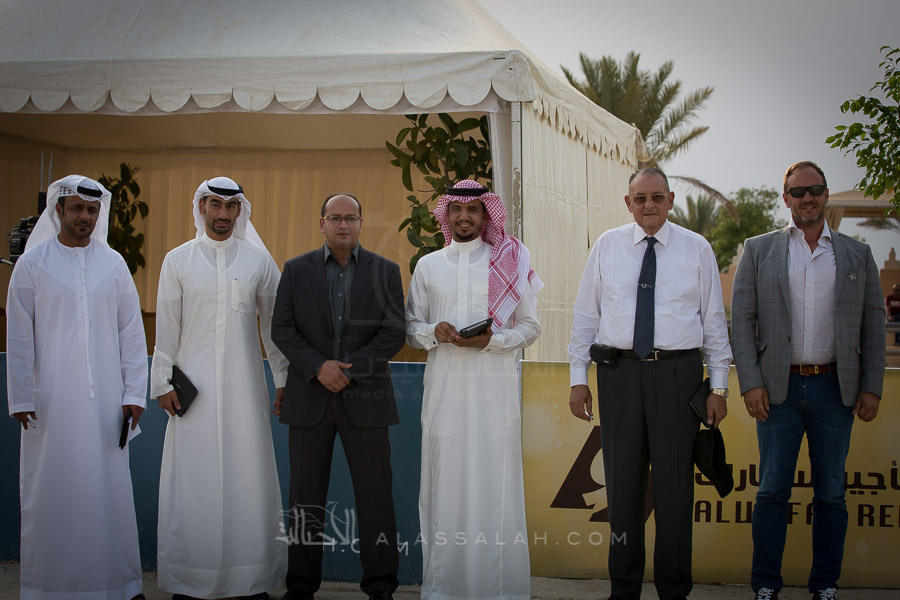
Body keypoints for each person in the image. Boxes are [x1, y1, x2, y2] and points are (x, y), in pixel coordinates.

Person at [568, 167, 731, 600]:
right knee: (623, 490)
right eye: (640, 198)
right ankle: (623, 590)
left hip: (677, 376)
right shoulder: (607, 246)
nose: (649, 205)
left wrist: (718, 387)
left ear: (671, 200)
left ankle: (674, 591)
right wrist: (578, 379)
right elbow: (585, 316)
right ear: (628, 203)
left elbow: (714, 323)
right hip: (618, 375)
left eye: (657, 197)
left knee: (675, 490)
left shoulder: (697, 249)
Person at [731, 161, 885, 600]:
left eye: (815, 189)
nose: (807, 198)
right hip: (777, 390)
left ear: (826, 194)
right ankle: (766, 584)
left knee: (831, 494)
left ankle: (825, 586)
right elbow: (741, 319)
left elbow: (874, 321)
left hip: (836, 389)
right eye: (798, 192)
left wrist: (871, 386)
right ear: (786, 199)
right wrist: (750, 382)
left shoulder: (857, 254)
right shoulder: (758, 250)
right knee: (772, 491)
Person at [7, 174, 147, 600]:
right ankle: (50, 588)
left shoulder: (114, 264)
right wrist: (20, 395)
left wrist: (134, 393)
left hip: (107, 402)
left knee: (109, 494)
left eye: (92, 209)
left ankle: (118, 586)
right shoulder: (32, 264)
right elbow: (19, 336)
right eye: (77, 209)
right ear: (59, 210)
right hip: (50, 404)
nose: (84, 216)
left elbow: (131, 332)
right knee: (52, 493)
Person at [151, 177, 289, 600]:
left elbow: (275, 327)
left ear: (240, 210)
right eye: (215, 204)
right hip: (191, 393)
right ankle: (190, 580)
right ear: (201, 207)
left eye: (231, 206)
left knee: (248, 478)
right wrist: (161, 381)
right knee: (193, 481)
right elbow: (167, 328)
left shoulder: (259, 262)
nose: (223, 214)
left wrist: (282, 379)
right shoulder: (178, 260)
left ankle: (250, 580)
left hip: (244, 391)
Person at [406, 180, 543, 600]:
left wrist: (492, 341)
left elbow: (530, 327)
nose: (464, 217)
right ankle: (443, 589)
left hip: (493, 396)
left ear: (486, 215)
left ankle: (498, 590)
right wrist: (434, 330)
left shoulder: (510, 260)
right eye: (457, 210)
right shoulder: (428, 266)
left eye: (473, 210)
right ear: (446, 215)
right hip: (444, 395)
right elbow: (411, 328)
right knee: (444, 485)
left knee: (494, 483)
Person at [271, 193, 405, 600]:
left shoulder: (386, 271)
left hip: (366, 401)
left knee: (376, 498)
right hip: (308, 400)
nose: (343, 225)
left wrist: (348, 370)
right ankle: (300, 587)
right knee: (304, 500)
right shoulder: (296, 270)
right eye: (335, 218)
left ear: (361, 223)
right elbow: (282, 329)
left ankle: (381, 587)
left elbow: (394, 332)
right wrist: (318, 367)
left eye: (350, 218)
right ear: (322, 223)